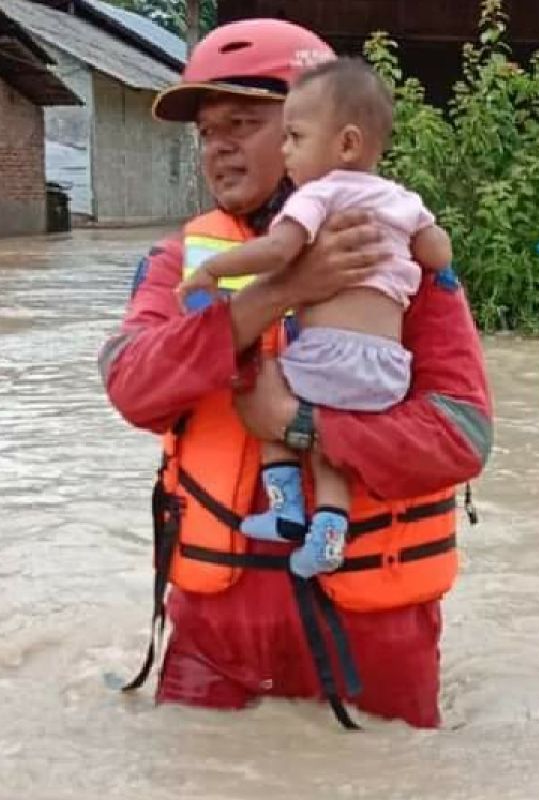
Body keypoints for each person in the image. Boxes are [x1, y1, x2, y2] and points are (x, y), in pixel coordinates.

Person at [98, 19, 492, 730]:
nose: (217, 145)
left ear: (324, 128)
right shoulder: (179, 259)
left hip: (373, 641)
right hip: (216, 637)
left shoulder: (402, 254)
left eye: (244, 123)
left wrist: (301, 426)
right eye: (206, 131)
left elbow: (462, 435)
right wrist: (276, 294)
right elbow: (131, 384)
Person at [176, 57, 453, 579]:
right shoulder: (403, 200)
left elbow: (279, 251)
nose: (287, 151)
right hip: (388, 370)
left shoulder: (318, 196)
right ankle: (329, 530)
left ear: (344, 144)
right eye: (207, 132)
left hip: (325, 358)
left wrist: (213, 271)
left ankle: (285, 511)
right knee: (333, 452)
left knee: (261, 382)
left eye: (291, 136)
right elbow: (438, 253)